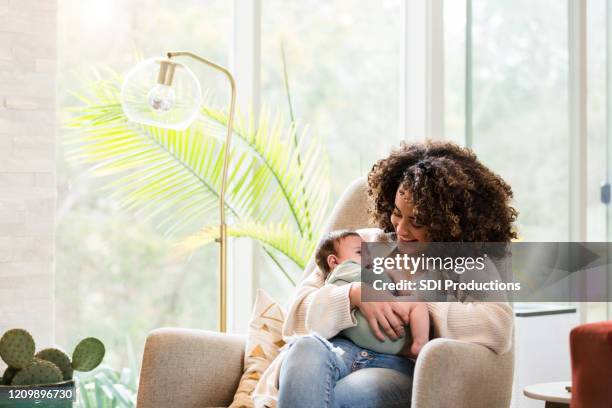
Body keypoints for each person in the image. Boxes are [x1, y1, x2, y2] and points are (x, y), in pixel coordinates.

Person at [275, 141, 518, 408]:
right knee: (303, 349)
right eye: (396, 213)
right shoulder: (361, 244)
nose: (401, 229)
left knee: (343, 395)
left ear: (449, 224)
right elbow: (296, 316)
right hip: (337, 353)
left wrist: (421, 305)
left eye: (417, 221)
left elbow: (497, 326)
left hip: (398, 367)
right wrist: (353, 295)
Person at [315, 229, 430, 356]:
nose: (368, 258)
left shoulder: (332, 286)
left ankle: (408, 349)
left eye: (368, 253)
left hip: (367, 340)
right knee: (417, 303)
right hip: (378, 329)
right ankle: (420, 344)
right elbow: (386, 287)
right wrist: (393, 273)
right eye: (359, 252)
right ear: (334, 262)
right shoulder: (345, 269)